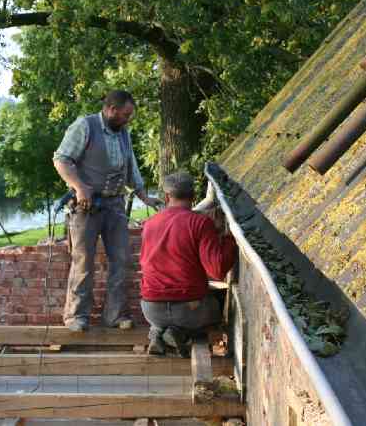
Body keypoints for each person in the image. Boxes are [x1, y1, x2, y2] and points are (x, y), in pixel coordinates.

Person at [53, 90, 162, 332]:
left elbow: (131, 167)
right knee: (83, 261)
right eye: (125, 114)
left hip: (115, 205)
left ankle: (114, 316)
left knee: (121, 260)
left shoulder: (123, 133)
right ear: (111, 110)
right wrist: (79, 187)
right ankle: (76, 316)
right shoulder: (85, 126)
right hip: (86, 206)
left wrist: (145, 196)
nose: (128, 119)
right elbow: (61, 159)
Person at [139, 172, 237, 356]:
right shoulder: (201, 223)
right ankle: (179, 334)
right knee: (216, 309)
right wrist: (228, 239)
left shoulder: (149, 224)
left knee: (167, 316)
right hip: (189, 310)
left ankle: (158, 333)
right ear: (193, 196)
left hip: (151, 309)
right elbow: (217, 270)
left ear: (167, 197)